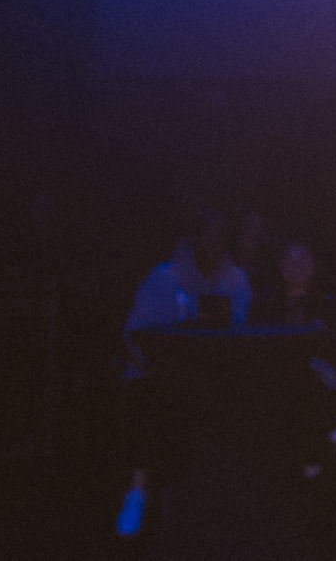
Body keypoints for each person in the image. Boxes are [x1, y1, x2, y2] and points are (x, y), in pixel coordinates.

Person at [115, 209, 255, 537]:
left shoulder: (236, 281)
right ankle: (138, 491)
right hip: (153, 374)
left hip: (210, 380)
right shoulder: (164, 276)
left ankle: (209, 503)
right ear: (193, 238)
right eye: (206, 235)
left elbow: (239, 341)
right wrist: (151, 366)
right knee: (149, 402)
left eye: (219, 237)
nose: (212, 243)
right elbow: (131, 336)